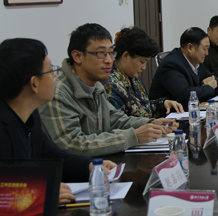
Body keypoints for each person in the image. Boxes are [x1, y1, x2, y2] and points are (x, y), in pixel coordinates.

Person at [0, 38, 116, 204]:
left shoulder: (31, 115)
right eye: (50, 71)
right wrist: (37, 194)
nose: (55, 76)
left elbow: (49, 156)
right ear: (34, 83)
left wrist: (89, 166)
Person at [39, 23, 177, 157]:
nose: (109, 60)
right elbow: (73, 144)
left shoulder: (96, 86)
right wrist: (132, 136)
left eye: (111, 53)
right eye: (101, 53)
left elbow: (114, 119)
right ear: (77, 56)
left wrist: (149, 124)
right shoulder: (57, 93)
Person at [103, 27, 184, 118]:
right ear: (126, 56)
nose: (144, 68)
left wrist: (163, 103)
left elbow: (143, 108)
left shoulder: (133, 78)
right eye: (142, 62)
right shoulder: (111, 85)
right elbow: (120, 122)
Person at [149, 27, 218, 106]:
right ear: (190, 48)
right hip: (172, 112)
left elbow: (213, 78)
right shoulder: (171, 64)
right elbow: (185, 94)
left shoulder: (197, 60)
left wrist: (212, 81)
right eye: (204, 49)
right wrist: (209, 87)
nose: (207, 53)